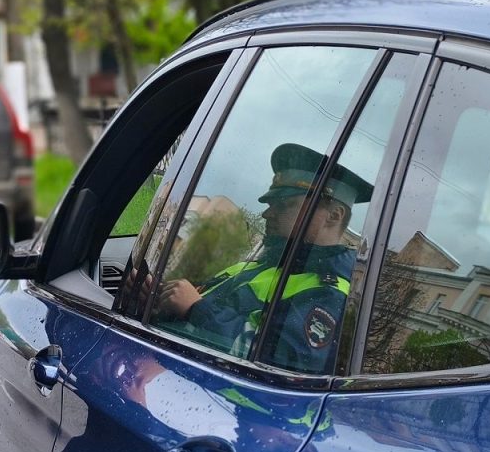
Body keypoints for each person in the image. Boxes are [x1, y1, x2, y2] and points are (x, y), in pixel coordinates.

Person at [158, 143, 372, 373]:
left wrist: (197, 309)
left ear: (334, 215)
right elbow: (193, 308)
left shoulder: (330, 295)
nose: (267, 213)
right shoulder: (256, 266)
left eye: (284, 205)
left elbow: (280, 364)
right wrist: (160, 302)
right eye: (271, 204)